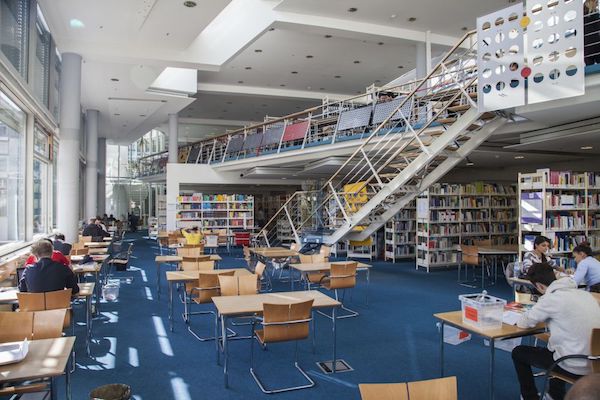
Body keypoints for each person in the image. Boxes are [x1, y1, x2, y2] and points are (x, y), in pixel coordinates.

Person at [511, 263, 600, 400]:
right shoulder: (585, 295)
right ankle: (555, 394)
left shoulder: (551, 299)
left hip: (573, 364)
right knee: (557, 348)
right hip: (596, 363)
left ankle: (530, 397)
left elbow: (524, 323)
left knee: (518, 352)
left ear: (539, 286)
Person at [584, 0, 600, 66]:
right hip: (593, 45)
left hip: (589, 46)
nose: (597, 5)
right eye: (596, 3)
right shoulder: (595, 15)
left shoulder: (581, 17)